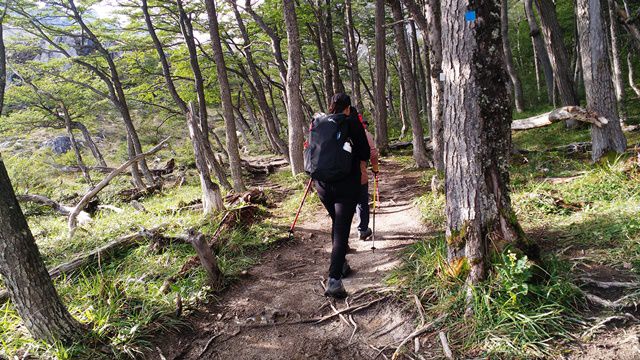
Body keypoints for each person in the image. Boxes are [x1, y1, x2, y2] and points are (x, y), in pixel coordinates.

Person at [313, 93, 370, 298]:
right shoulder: (352, 122)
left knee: (337, 223)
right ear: (347, 108)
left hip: (321, 185)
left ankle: (342, 264)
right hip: (345, 185)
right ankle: (334, 279)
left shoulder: (320, 123)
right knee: (341, 228)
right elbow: (364, 152)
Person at [356, 117, 379, 240]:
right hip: (359, 175)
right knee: (361, 202)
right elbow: (373, 154)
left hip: (339, 176)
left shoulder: (337, 131)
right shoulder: (365, 134)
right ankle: (363, 230)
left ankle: (341, 240)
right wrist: (375, 169)